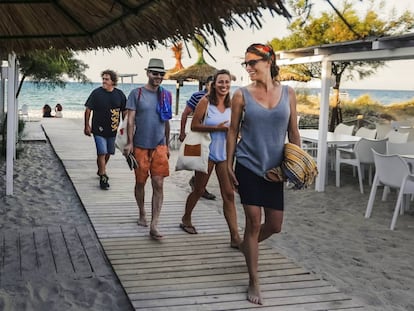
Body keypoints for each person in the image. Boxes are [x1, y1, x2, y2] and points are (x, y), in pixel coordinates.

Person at [226, 43, 301, 305]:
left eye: (252, 63)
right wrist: (227, 163)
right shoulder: (241, 95)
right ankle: (254, 280)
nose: (248, 68)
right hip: (247, 164)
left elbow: (293, 133)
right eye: (245, 64)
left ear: (268, 61)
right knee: (253, 220)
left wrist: (294, 166)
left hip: (275, 170)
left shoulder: (289, 93)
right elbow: (233, 131)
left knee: (275, 225)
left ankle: (248, 246)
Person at [180, 69, 241, 249]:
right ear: (214, 84)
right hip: (207, 152)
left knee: (228, 194)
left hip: (225, 154)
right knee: (199, 190)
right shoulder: (206, 101)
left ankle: (235, 237)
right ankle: (186, 218)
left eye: (227, 82)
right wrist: (217, 129)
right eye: (220, 82)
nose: (224, 85)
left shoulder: (233, 104)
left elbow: (236, 127)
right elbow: (194, 125)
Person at [123, 58, 172, 241]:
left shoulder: (166, 95)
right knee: (140, 183)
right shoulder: (137, 94)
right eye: (155, 73)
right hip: (140, 146)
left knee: (158, 183)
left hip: (159, 145)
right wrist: (129, 143)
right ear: (148, 73)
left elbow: (166, 121)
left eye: (161, 74)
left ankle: (154, 224)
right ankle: (142, 212)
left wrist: (167, 144)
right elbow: (130, 120)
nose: (158, 76)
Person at [84, 69, 127, 190]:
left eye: (106, 79)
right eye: (103, 79)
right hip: (98, 129)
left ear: (113, 81)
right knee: (101, 152)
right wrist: (87, 125)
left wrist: (125, 127)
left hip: (113, 130)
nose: (104, 81)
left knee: (108, 152)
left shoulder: (119, 94)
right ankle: (103, 176)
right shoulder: (96, 93)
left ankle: (101, 169)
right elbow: (88, 110)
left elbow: (124, 111)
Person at [179, 75, 216, 200]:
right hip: (200, 135)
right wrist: (182, 132)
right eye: (211, 84)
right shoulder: (198, 96)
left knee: (204, 162)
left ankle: (197, 184)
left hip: (215, 138)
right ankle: (199, 187)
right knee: (199, 160)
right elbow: (185, 113)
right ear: (206, 85)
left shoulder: (222, 98)